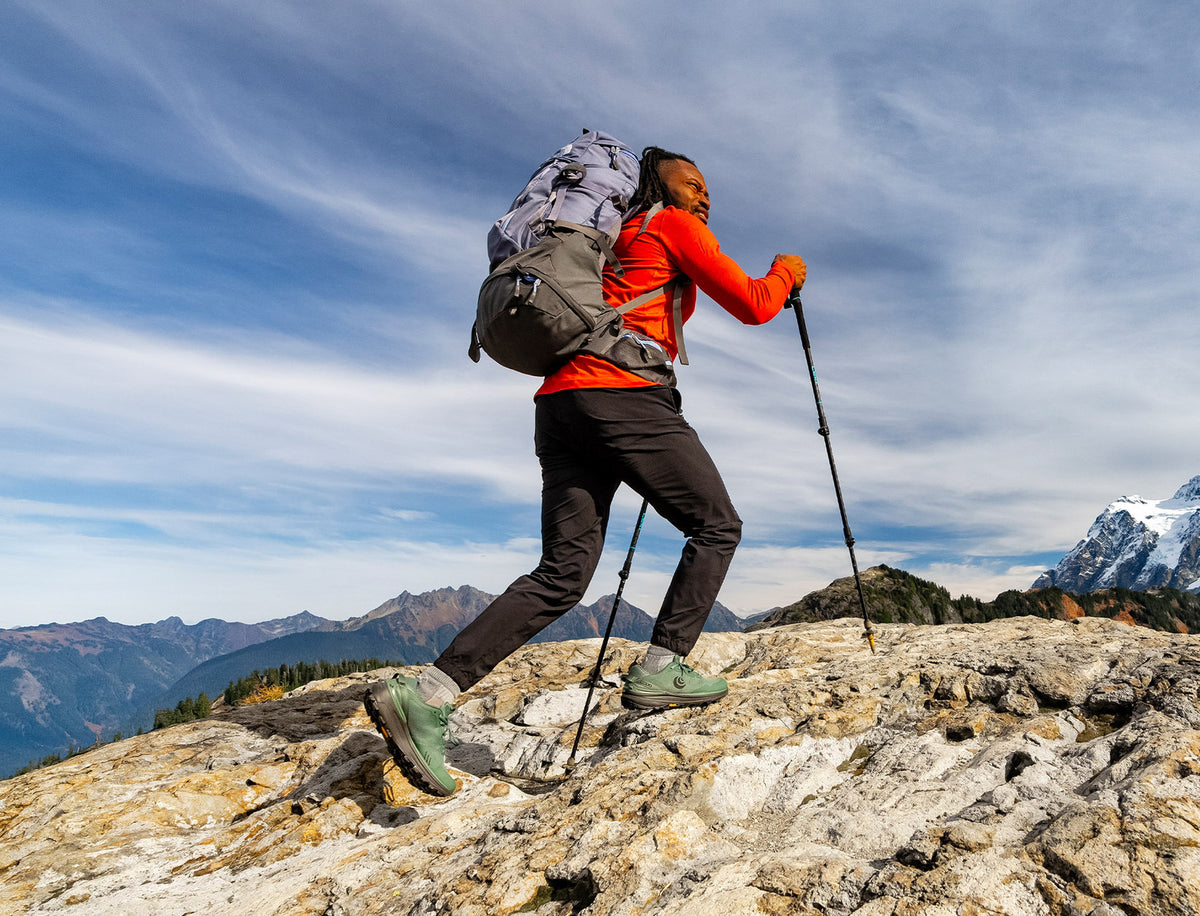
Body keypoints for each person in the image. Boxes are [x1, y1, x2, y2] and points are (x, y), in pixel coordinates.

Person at [366, 147, 807, 796]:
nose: (705, 195)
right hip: (621, 391)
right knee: (716, 525)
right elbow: (753, 303)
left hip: (561, 404)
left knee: (563, 574)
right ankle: (662, 666)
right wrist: (787, 270)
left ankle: (427, 694)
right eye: (693, 183)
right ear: (659, 185)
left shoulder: (608, 242)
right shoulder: (669, 224)